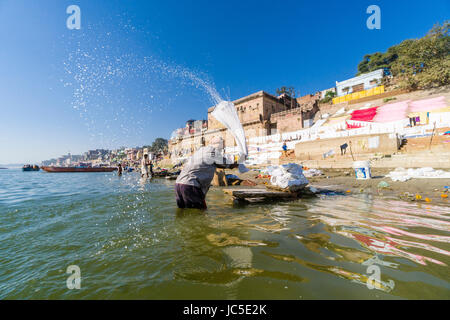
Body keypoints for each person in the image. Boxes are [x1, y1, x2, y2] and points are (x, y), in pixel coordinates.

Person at [175, 137, 238, 209]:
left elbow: (218, 164)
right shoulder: (214, 152)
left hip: (178, 184)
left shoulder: (201, 150)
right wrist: (238, 164)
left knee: (182, 212)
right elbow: (227, 164)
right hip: (191, 186)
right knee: (199, 214)